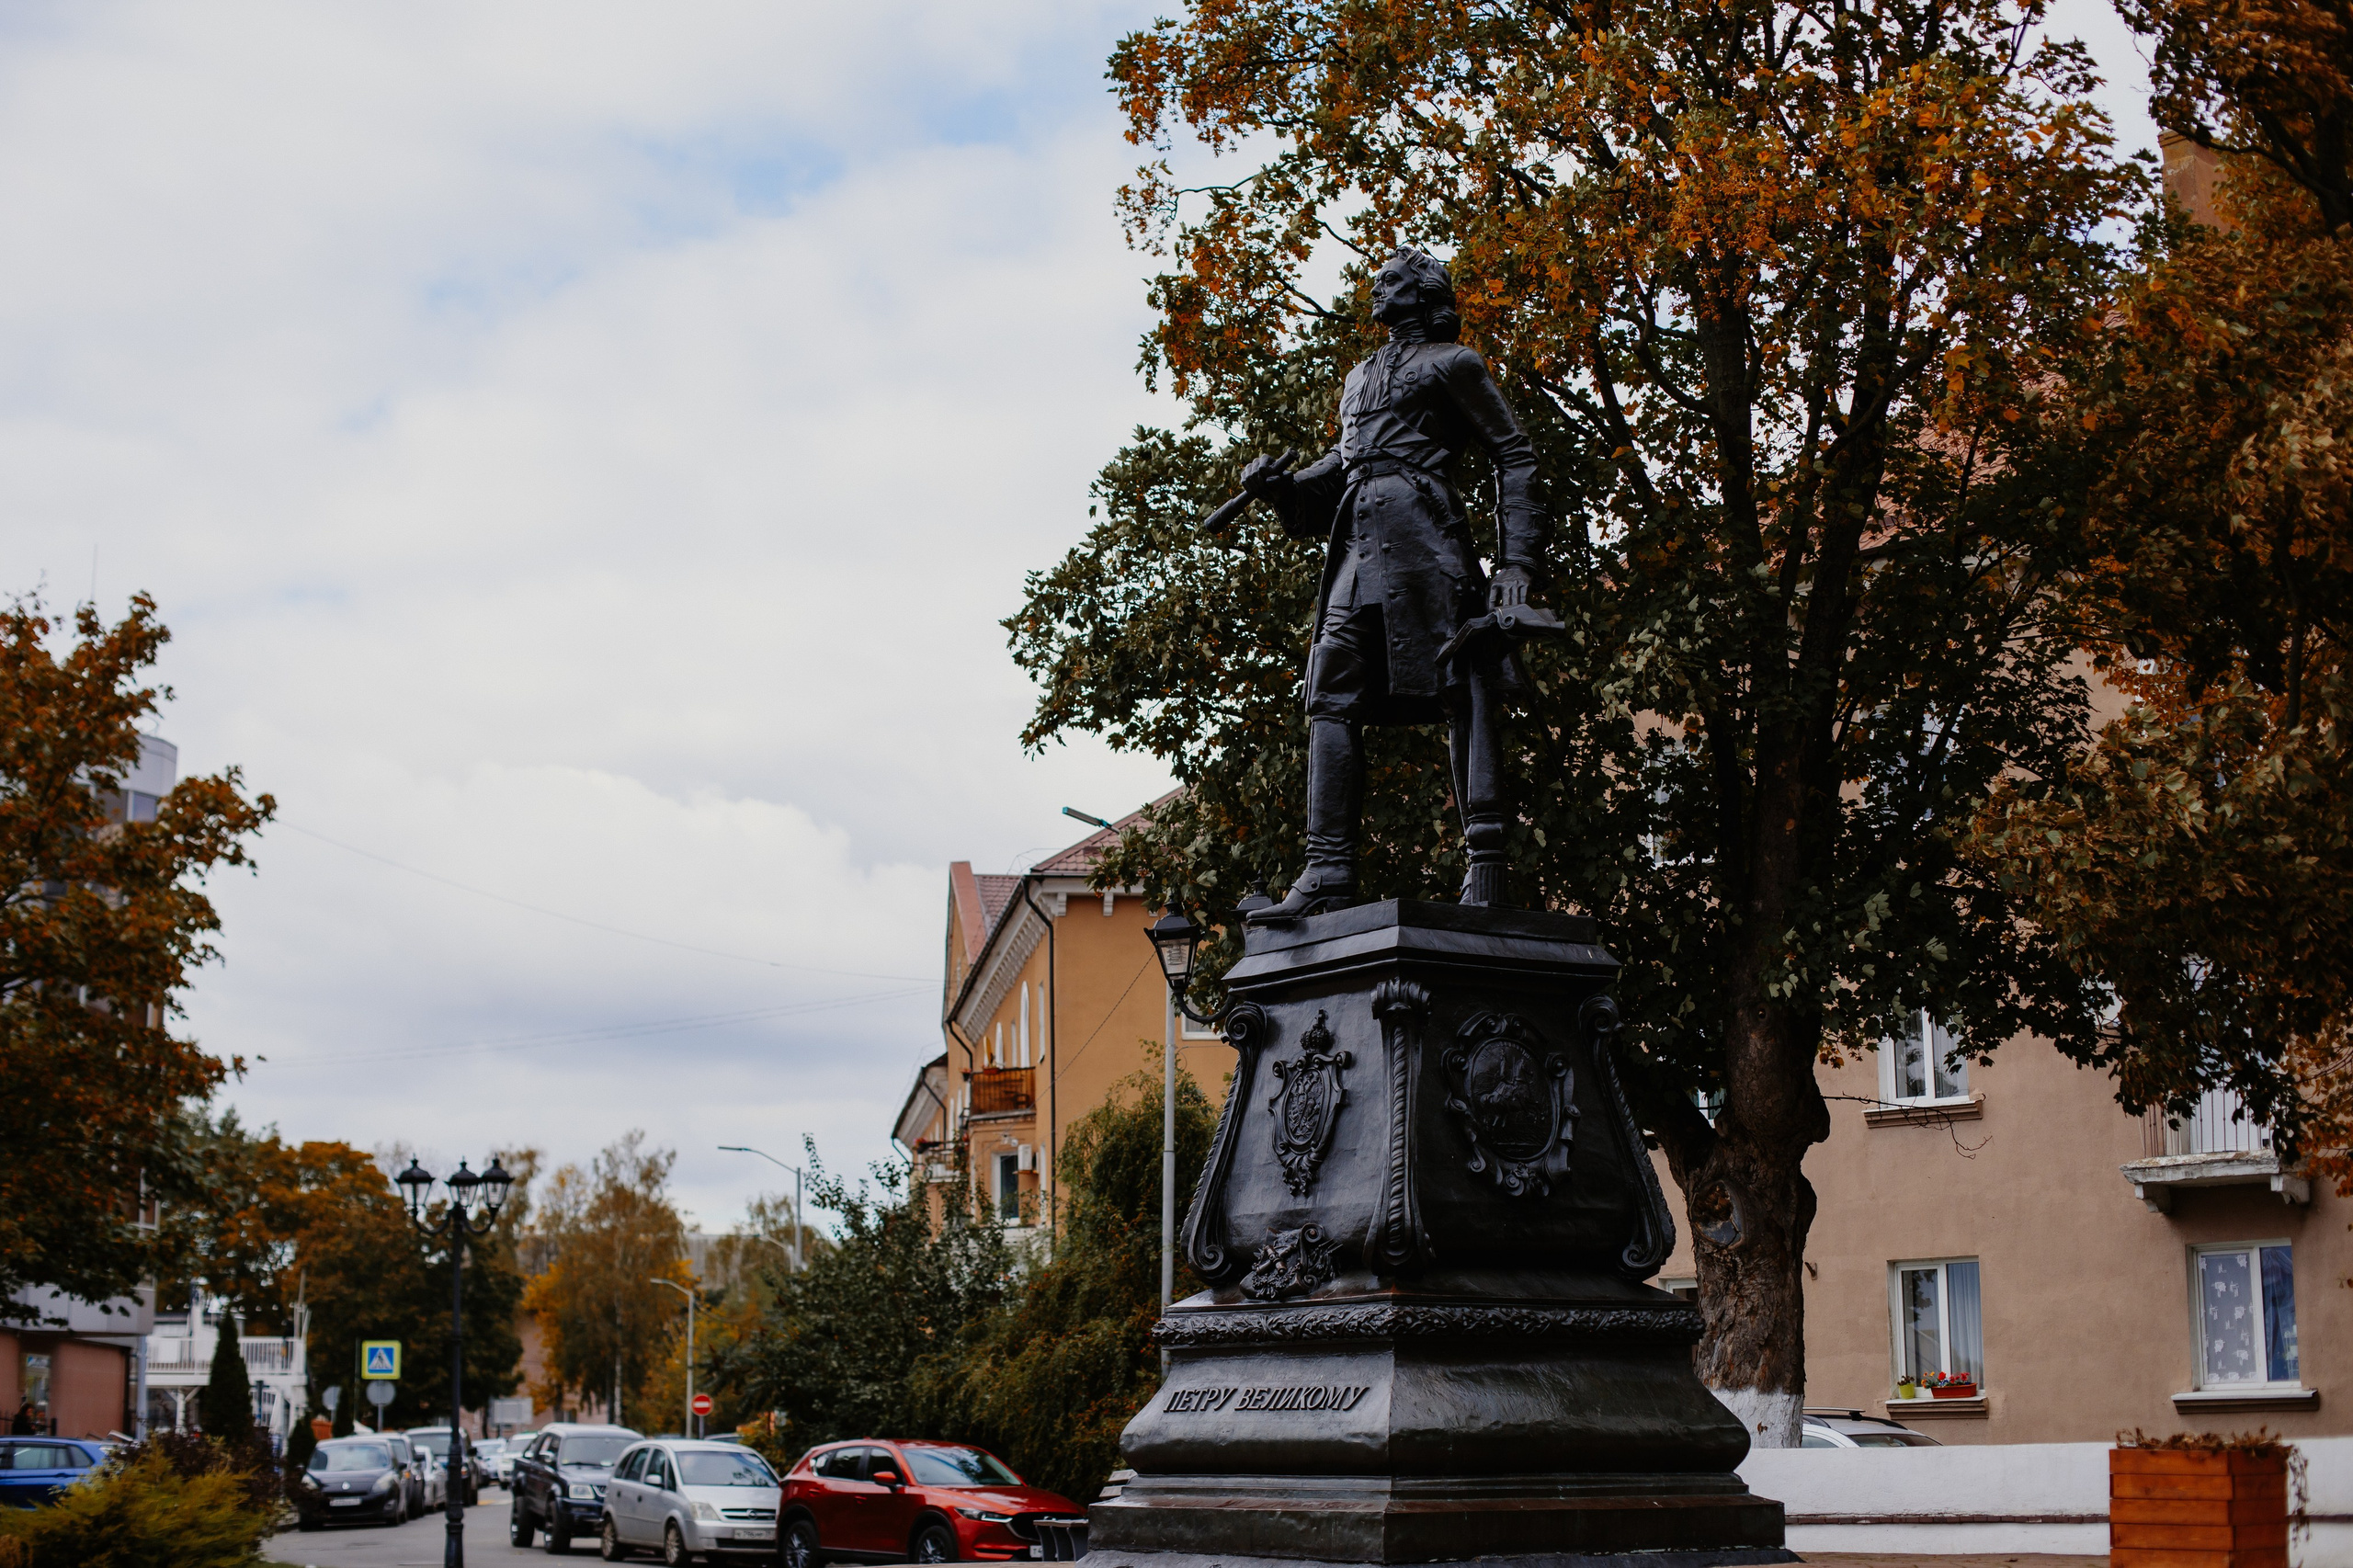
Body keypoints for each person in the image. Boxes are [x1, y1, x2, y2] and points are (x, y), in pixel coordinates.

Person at [1237, 245, 1553, 917]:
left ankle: (1486, 866)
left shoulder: (1454, 364)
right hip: (1357, 545)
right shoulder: (1358, 377)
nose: (1375, 289)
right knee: (1329, 691)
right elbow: (1340, 467)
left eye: (1389, 281)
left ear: (1423, 292)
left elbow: (1514, 455)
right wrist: (1281, 486)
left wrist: (1517, 566)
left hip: (1425, 540)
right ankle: (1327, 871)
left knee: (1460, 690)